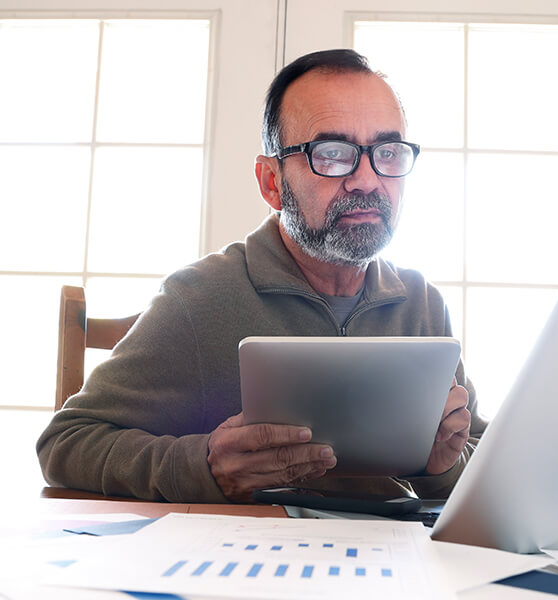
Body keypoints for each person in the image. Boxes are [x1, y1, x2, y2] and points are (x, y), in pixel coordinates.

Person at [37, 49, 486, 503]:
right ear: (271, 182)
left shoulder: (421, 303)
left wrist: (442, 468)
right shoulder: (200, 300)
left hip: (396, 564)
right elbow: (65, 443)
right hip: (251, 560)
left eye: (387, 152)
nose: (368, 179)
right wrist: (205, 466)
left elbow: (481, 456)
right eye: (331, 154)